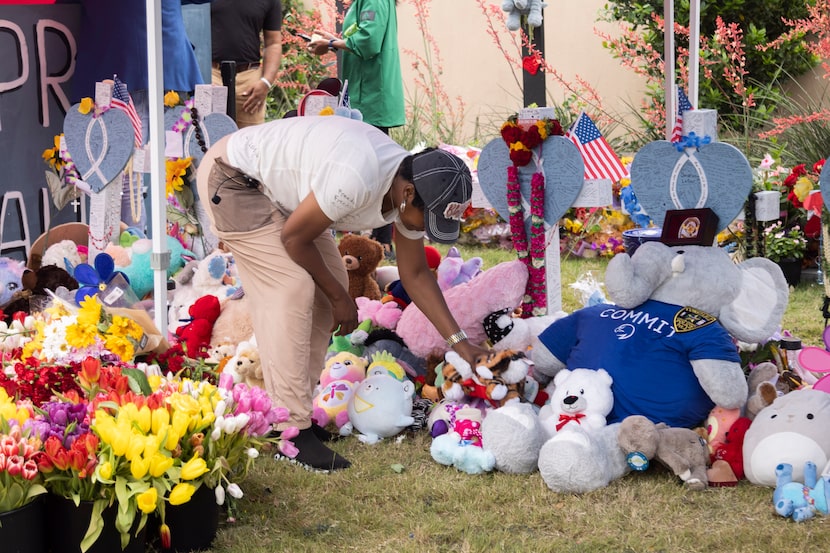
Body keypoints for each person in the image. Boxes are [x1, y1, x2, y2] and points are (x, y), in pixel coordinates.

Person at [195, 116, 486, 471]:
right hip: (234, 178)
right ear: (408, 194)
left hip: (283, 195)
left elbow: (414, 275)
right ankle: (287, 430)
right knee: (293, 287)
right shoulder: (358, 176)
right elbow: (293, 239)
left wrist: (460, 343)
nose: (426, 229)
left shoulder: (407, 186)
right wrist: (339, 298)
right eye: (429, 218)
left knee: (327, 279)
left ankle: (295, 413)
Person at [59, 0, 210, 232]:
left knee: (133, 174)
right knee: (165, 170)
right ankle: (168, 248)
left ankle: (135, 249)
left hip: (125, 61)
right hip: (163, 64)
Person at [308, 0, 405, 261]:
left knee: (379, 171)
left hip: (371, 96)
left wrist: (329, 45)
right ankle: (373, 237)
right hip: (365, 94)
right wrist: (334, 39)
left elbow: (368, 42)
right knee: (368, 169)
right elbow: (359, 35)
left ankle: (383, 240)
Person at [210, 0, 282, 128]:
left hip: (249, 81)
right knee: (207, 137)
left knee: (249, 141)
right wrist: (201, 76)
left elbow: (273, 43)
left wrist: (266, 82)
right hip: (211, 74)